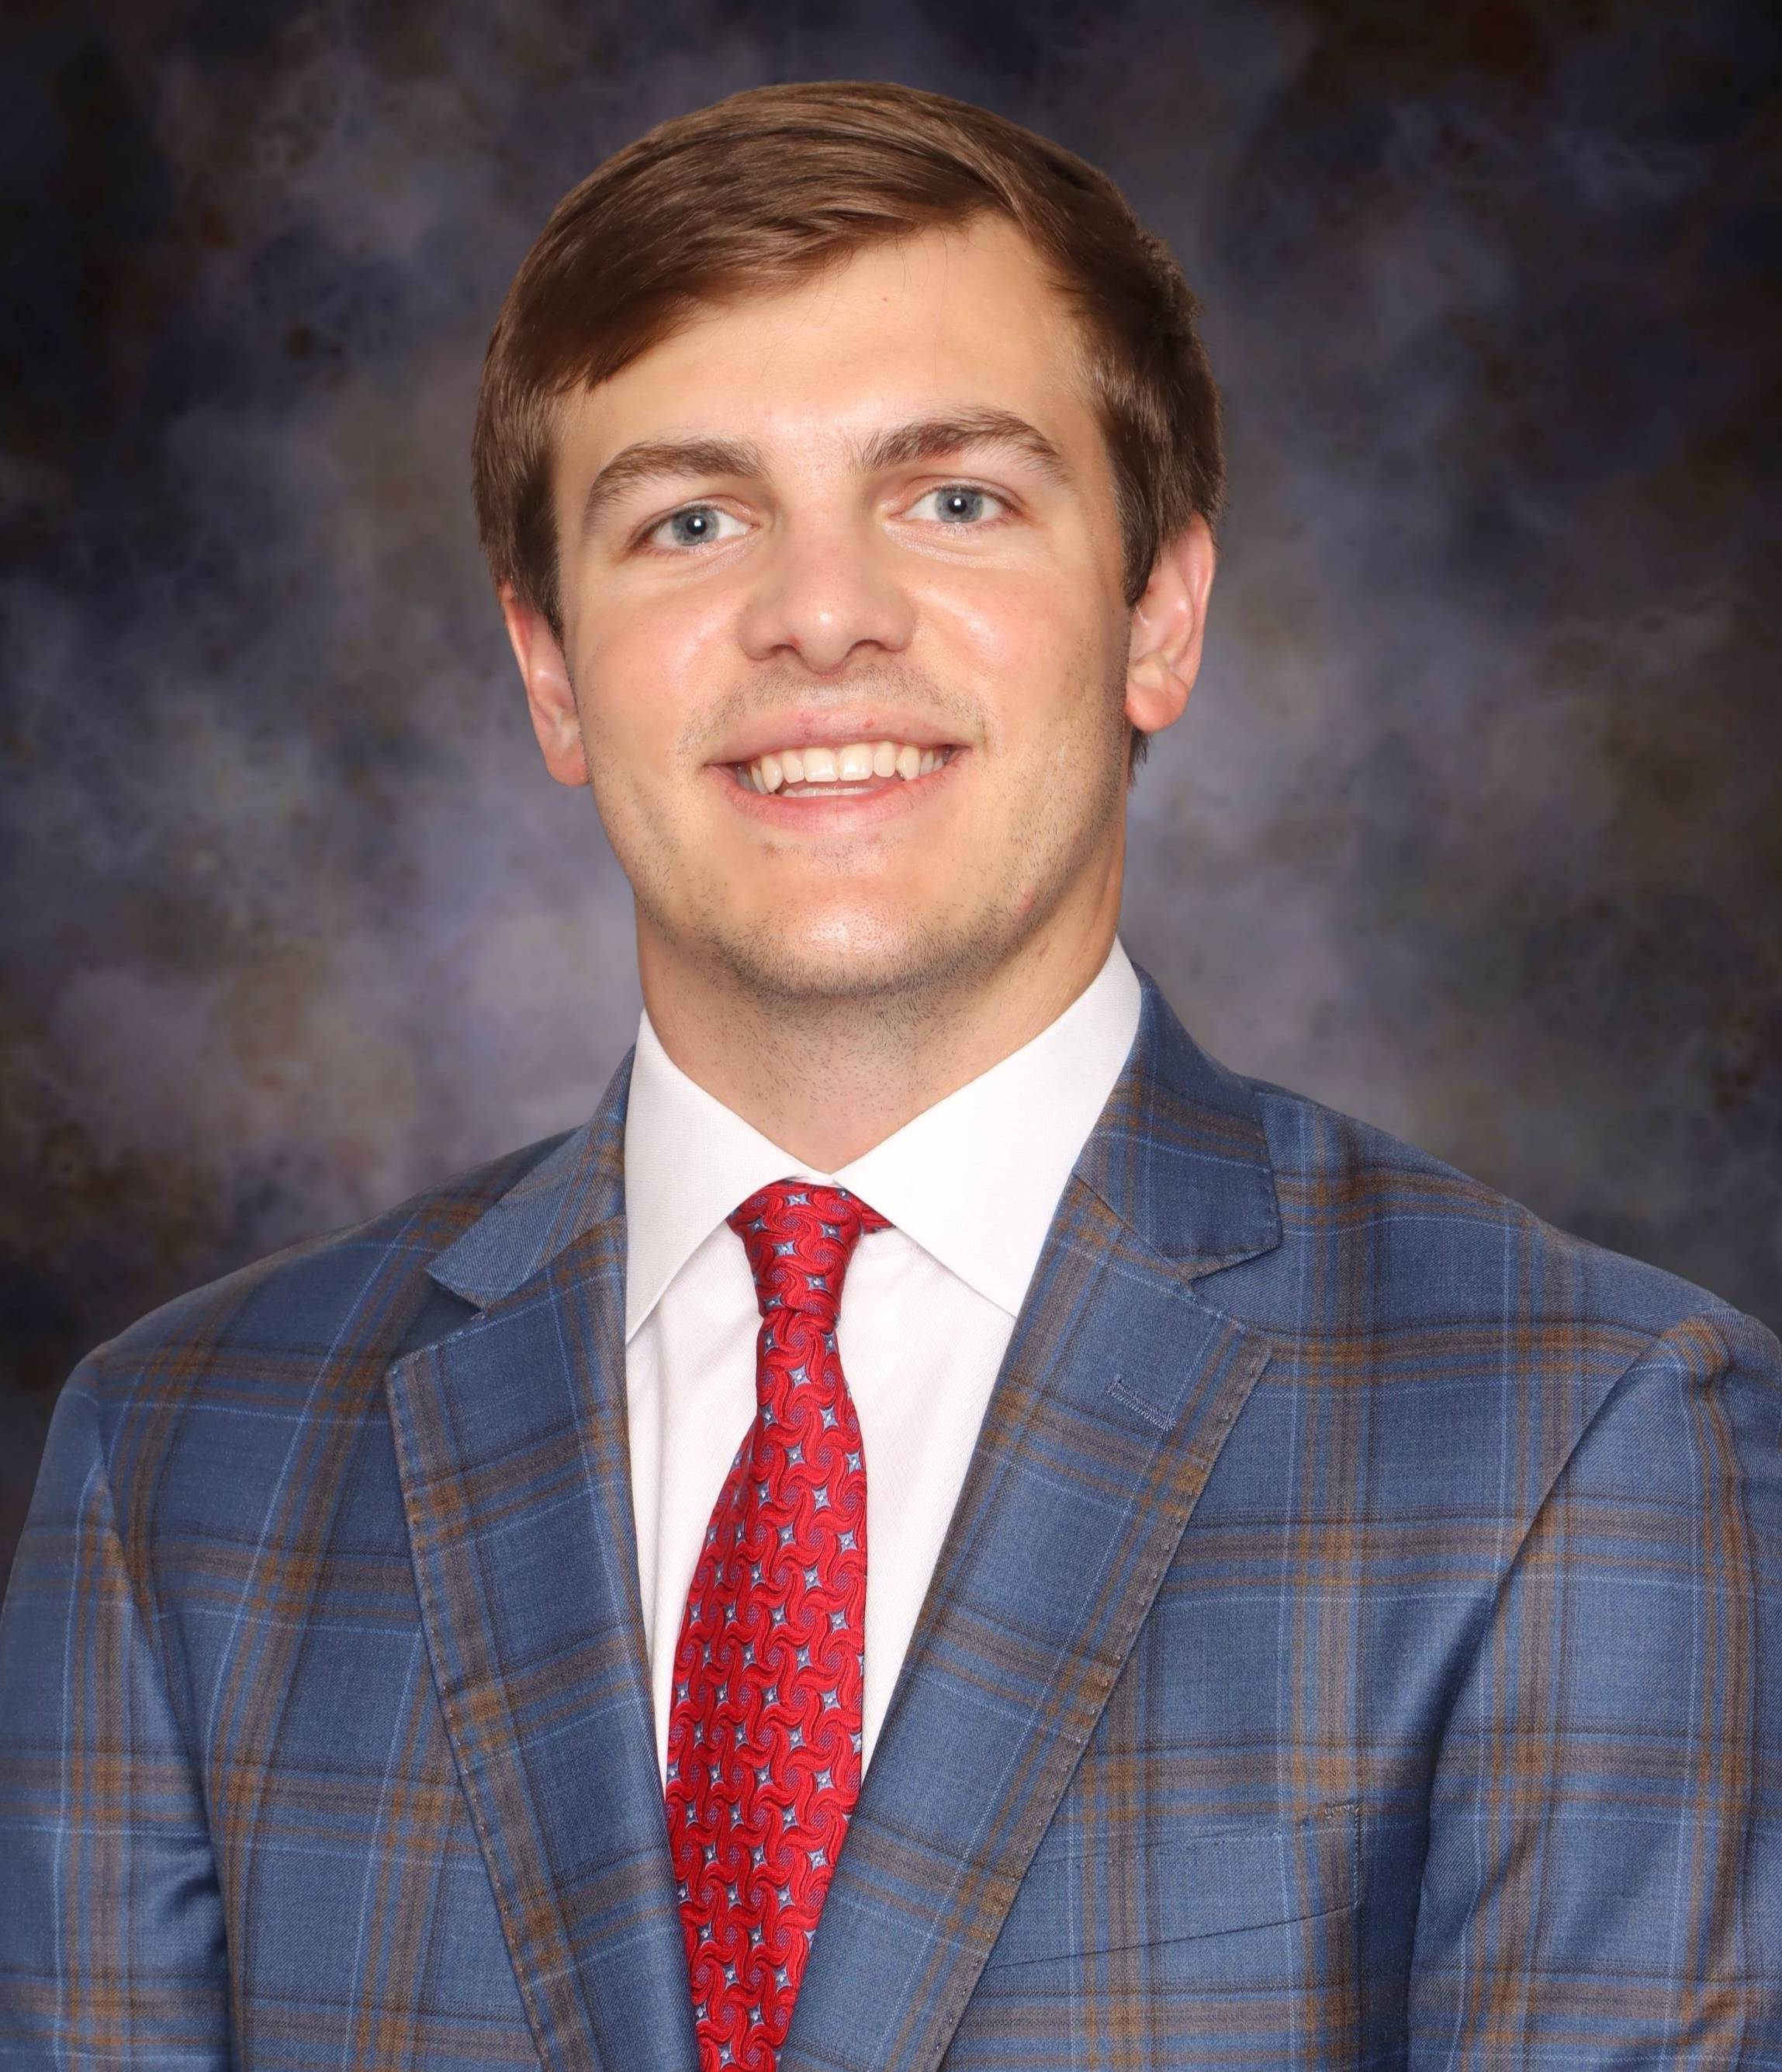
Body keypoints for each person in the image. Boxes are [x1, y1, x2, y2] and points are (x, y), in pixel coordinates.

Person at [2, 78, 1777, 2072]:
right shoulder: (181, 1469)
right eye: (693, 518)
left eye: (954, 499)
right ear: (554, 674)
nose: (819, 614)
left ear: (1158, 617)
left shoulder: (1584, 1441)